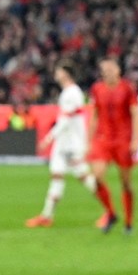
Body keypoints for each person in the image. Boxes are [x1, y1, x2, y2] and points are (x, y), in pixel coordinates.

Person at [26, 61, 96, 227]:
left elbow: (66, 121)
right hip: (63, 143)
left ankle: (110, 211)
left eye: (58, 71)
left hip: (72, 143)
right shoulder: (67, 93)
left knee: (83, 176)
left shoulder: (73, 93)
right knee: (56, 176)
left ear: (66, 73)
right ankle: (47, 216)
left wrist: (48, 138)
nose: (55, 73)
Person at [88, 57, 138, 234]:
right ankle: (111, 213)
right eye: (104, 70)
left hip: (123, 140)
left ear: (118, 70)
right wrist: (89, 140)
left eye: (111, 69)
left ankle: (129, 222)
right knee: (96, 178)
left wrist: (135, 139)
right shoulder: (97, 89)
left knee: (125, 182)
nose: (108, 72)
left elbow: (135, 114)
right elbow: (95, 114)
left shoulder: (127, 88)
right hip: (103, 139)